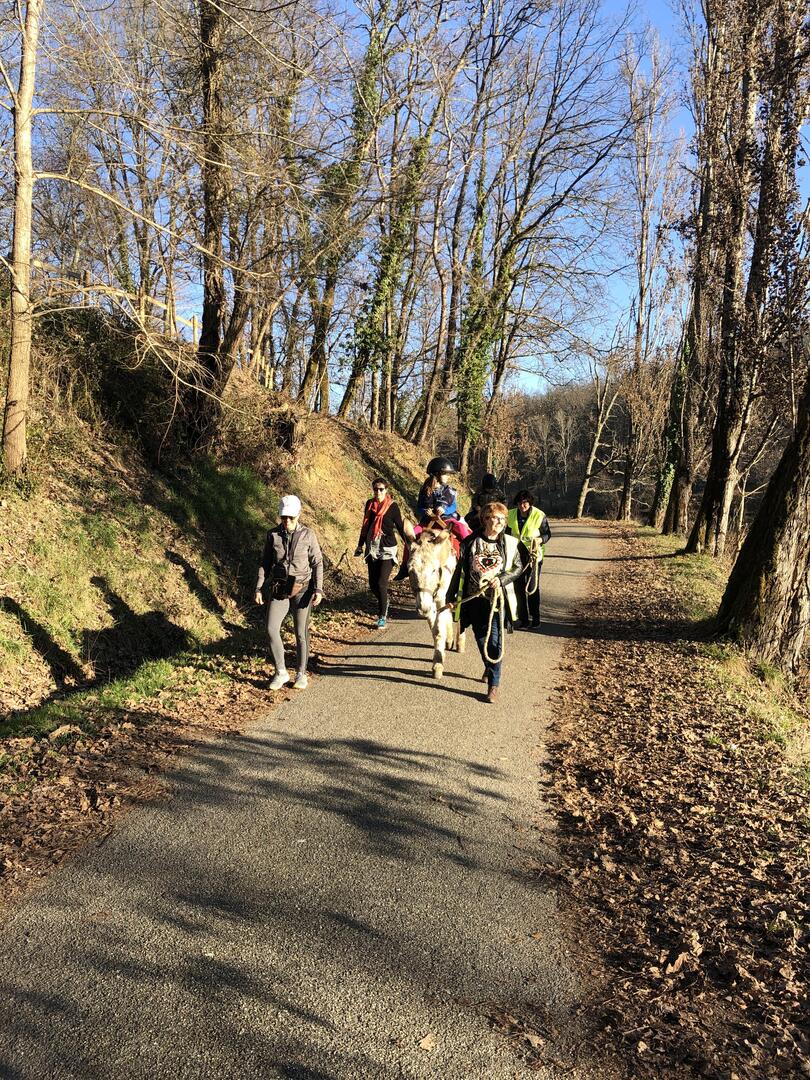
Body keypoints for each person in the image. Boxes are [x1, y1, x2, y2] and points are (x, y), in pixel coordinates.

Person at [445, 501, 522, 703]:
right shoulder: (470, 542)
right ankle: (490, 666)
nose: (497, 522)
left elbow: (517, 568)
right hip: (474, 600)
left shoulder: (510, 543)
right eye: (493, 518)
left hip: (497, 601)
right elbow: (459, 572)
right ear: (484, 519)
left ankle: (493, 685)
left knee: (495, 643)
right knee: (481, 641)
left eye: (501, 519)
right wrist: (451, 597)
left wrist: (502, 579)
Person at [255, 494, 323, 691]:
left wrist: (318, 589)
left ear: (299, 515)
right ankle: (281, 671)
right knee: (270, 628)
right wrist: (259, 587)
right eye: (284, 517)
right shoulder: (273, 535)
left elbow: (317, 562)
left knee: (300, 632)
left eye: (291, 518)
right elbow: (265, 563)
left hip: (303, 588)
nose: (287, 522)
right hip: (280, 588)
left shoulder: (308, 535)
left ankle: (301, 673)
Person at [394, 457, 471, 579]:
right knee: (411, 536)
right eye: (446, 474)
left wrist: (444, 510)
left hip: (446, 520)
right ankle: (404, 566)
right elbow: (419, 506)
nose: (448, 476)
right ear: (437, 474)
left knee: (462, 529)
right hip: (428, 522)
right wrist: (426, 511)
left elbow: (453, 506)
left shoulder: (450, 490)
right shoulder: (425, 490)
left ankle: (471, 558)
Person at [355, 478, 410, 629]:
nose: (378, 492)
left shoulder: (392, 506)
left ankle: (382, 616)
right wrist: (360, 545)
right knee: (373, 585)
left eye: (381, 489)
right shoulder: (369, 504)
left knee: (381, 583)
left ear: (386, 490)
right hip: (372, 547)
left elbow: (399, 526)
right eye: (375, 489)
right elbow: (365, 526)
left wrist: (409, 545)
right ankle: (385, 601)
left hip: (387, 548)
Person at [507, 490, 551, 628]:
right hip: (516, 556)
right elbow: (507, 534)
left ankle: (535, 618)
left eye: (525, 502)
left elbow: (547, 534)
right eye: (519, 503)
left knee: (532, 588)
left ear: (530, 502)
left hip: (533, 556)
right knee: (518, 588)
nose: (522, 506)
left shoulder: (539, 515)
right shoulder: (511, 514)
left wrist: (539, 540)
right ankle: (523, 619)